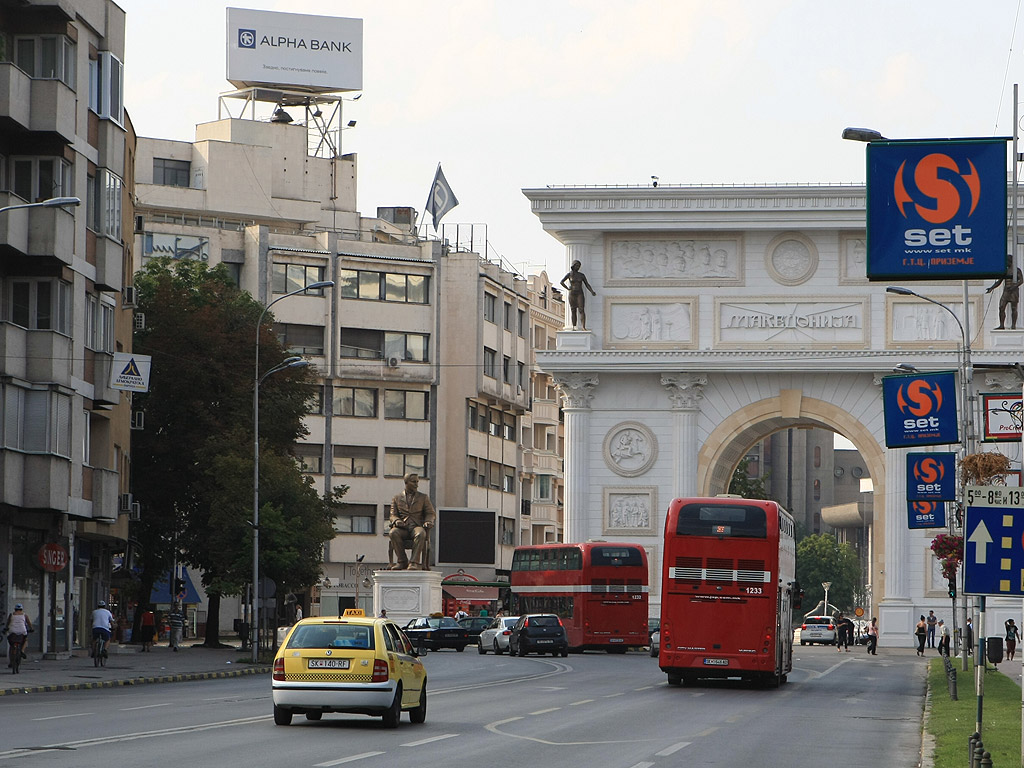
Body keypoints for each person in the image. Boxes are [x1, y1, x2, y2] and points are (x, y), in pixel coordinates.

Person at [388, 473, 436, 570]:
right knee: (393, 532)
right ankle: (402, 561)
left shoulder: (423, 497)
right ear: (406, 482)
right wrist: (396, 520)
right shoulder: (397, 498)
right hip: (403, 528)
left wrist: (428, 521)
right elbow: (392, 515)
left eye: (417, 482)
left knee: (421, 533)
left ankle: (414, 562)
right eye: (414, 482)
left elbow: (430, 513)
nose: (416, 484)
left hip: (416, 526)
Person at [559, 260, 597, 330]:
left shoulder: (581, 275)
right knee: (573, 310)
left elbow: (587, 284)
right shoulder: (570, 274)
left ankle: (583, 327)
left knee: (581, 309)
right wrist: (567, 288)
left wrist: (592, 291)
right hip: (572, 293)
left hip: (579, 293)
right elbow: (561, 282)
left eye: (579, 266)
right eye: (576, 265)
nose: (578, 267)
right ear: (573, 266)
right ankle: (573, 327)